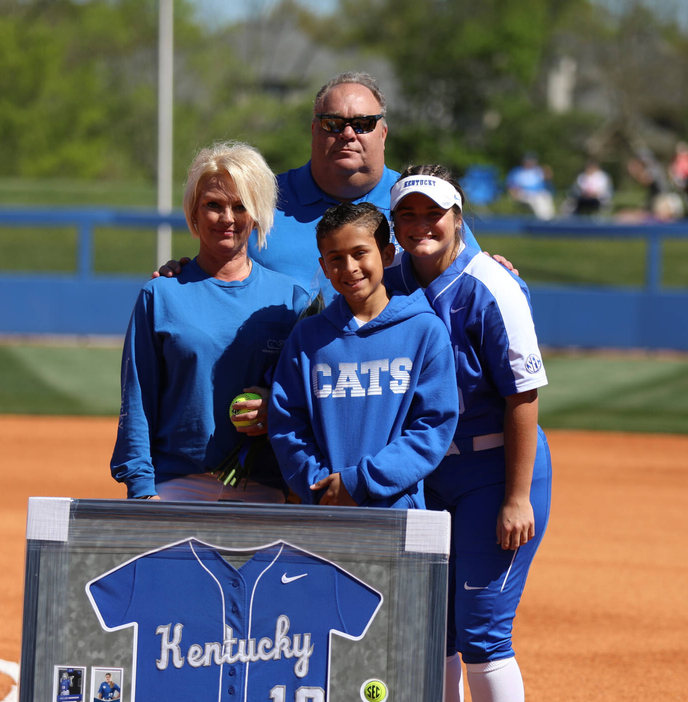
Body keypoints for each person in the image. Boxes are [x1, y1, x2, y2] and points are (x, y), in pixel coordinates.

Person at [386, 166, 553, 702]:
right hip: (429, 477)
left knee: (483, 629)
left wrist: (515, 497)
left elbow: (523, 399)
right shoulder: (392, 282)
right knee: (437, 635)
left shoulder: (490, 285)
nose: (423, 228)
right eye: (410, 217)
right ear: (395, 226)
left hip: (493, 473)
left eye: (435, 215)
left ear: (458, 218)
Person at [157, 72, 486, 297]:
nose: (347, 134)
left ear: (383, 133)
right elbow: (218, 269)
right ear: (314, 130)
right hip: (281, 389)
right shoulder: (259, 199)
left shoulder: (419, 203)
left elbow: (476, 285)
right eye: (332, 123)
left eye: (363, 124)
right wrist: (184, 274)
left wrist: (495, 269)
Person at [111, 141, 311, 503]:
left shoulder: (291, 299)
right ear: (194, 211)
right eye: (213, 205)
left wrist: (276, 404)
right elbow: (138, 399)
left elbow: (309, 399)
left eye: (240, 206)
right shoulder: (162, 295)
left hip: (266, 487)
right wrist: (142, 491)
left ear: (257, 213)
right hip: (178, 485)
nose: (227, 218)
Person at [268, 202, 457, 509]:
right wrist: (321, 486)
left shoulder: (425, 331)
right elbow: (288, 423)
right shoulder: (307, 337)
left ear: (386, 254)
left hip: (397, 513)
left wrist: (359, 482)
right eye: (336, 259)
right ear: (324, 267)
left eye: (359, 253)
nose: (350, 267)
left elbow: (433, 426)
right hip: (325, 509)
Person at [505, 153, 555, 221]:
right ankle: (543, 221)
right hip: (523, 194)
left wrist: (547, 170)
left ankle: (550, 219)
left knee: (546, 196)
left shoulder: (538, 170)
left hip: (538, 193)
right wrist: (514, 193)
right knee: (537, 199)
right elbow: (511, 185)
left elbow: (548, 178)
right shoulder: (517, 171)